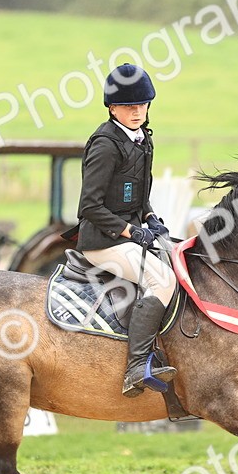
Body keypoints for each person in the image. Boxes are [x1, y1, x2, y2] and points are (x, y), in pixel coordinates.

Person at [74, 63, 178, 397]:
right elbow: (89, 207)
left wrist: (151, 219)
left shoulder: (141, 140)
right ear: (111, 107)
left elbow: (138, 196)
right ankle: (136, 368)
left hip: (126, 233)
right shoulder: (106, 145)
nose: (137, 111)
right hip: (101, 241)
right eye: (128, 106)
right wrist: (131, 233)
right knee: (161, 280)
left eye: (142, 104)